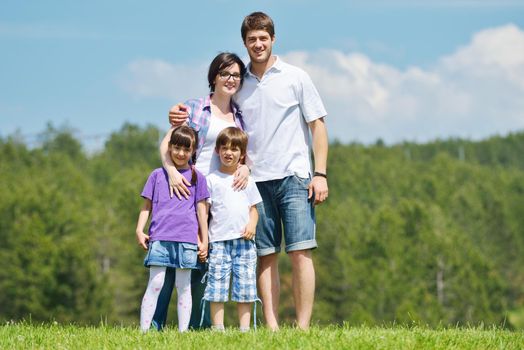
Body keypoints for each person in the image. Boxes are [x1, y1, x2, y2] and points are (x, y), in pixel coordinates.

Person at [169, 12, 329, 330]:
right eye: (252, 39)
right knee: (265, 256)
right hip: (253, 183)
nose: (258, 44)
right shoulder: (239, 82)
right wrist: (179, 112)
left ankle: (303, 328)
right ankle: (271, 326)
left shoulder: (296, 77)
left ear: (273, 39)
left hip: (295, 176)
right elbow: (213, 104)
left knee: (301, 252)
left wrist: (320, 173)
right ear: (245, 43)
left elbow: (318, 126)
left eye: (263, 38)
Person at [154, 52, 251, 330]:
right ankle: (156, 323)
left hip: (220, 198)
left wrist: (246, 168)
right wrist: (171, 170)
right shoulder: (195, 107)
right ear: (214, 77)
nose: (230, 80)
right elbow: (168, 142)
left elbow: (243, 152)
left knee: (206, 260)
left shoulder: (240, 116)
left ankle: (200, 325)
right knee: (171, 260)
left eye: (235, 75)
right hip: (186, 192)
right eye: (225, 73)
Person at [135, 125, 209, 332]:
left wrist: (204, 240)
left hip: (187, 240)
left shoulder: (198, 177)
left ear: (193, 151)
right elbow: (146, 206)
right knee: (155, 283)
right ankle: (144, 330)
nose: (181, 153)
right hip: (160, 237)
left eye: (186, 150)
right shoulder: (157, 175)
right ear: (169, 148)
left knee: (183, 286)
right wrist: (140, 229)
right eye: (176, 148)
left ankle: (183, 332)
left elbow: (201, 210)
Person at [201, 127, 262, 331]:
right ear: (217, 150)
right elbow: (204, 211)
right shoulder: (211, 179)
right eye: (225, 148)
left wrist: (252, 224)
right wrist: (204, 239)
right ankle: (218, 328)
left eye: (235, 149)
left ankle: (244, 329)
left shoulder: (247, 180)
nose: (229, 152)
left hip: (244, 242)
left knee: (245, 286)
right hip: (218, 241)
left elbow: (254, 210)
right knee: (217, 286)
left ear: (242, 154)